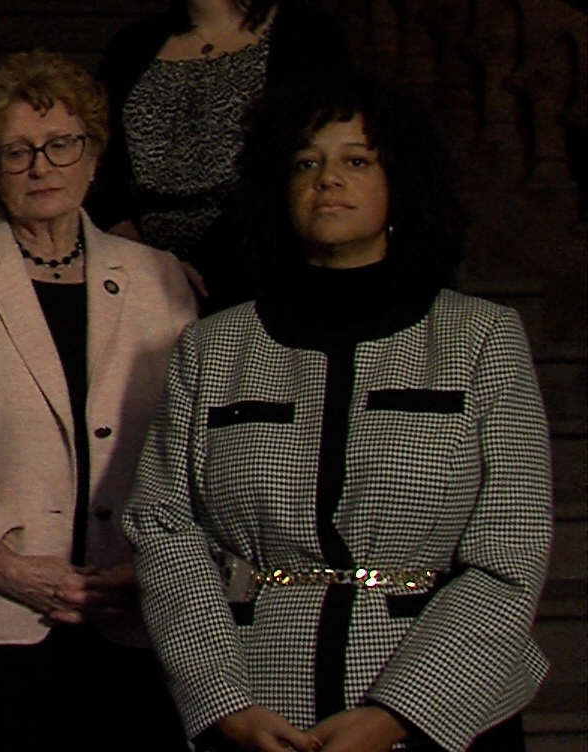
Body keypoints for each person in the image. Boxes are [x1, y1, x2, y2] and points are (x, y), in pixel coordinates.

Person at [124, 75, 550, 752]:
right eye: (306, 162)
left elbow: (509, 549)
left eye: (357, 160)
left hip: (448, 713)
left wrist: (398, 714)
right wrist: (224, 701)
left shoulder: (479, 338)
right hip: (264, 706)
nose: (328, 179)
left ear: (400, 182)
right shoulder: (213, 348)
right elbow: (164, 528)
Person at [0, 50, 197, 746]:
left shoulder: (162, 279)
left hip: (135, 617)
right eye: (16, 151)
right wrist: (1, 562)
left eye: (62, 144)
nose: (41, 166)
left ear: (94, 155)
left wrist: (150, 563)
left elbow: (191, 448)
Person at [90, 0, 351, 310]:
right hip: (138, 281)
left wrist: (201, 269)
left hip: (262, 278)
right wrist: (137, 253)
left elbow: (299, 165)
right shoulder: (131, 48)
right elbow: (98, 158)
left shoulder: (305, 40)